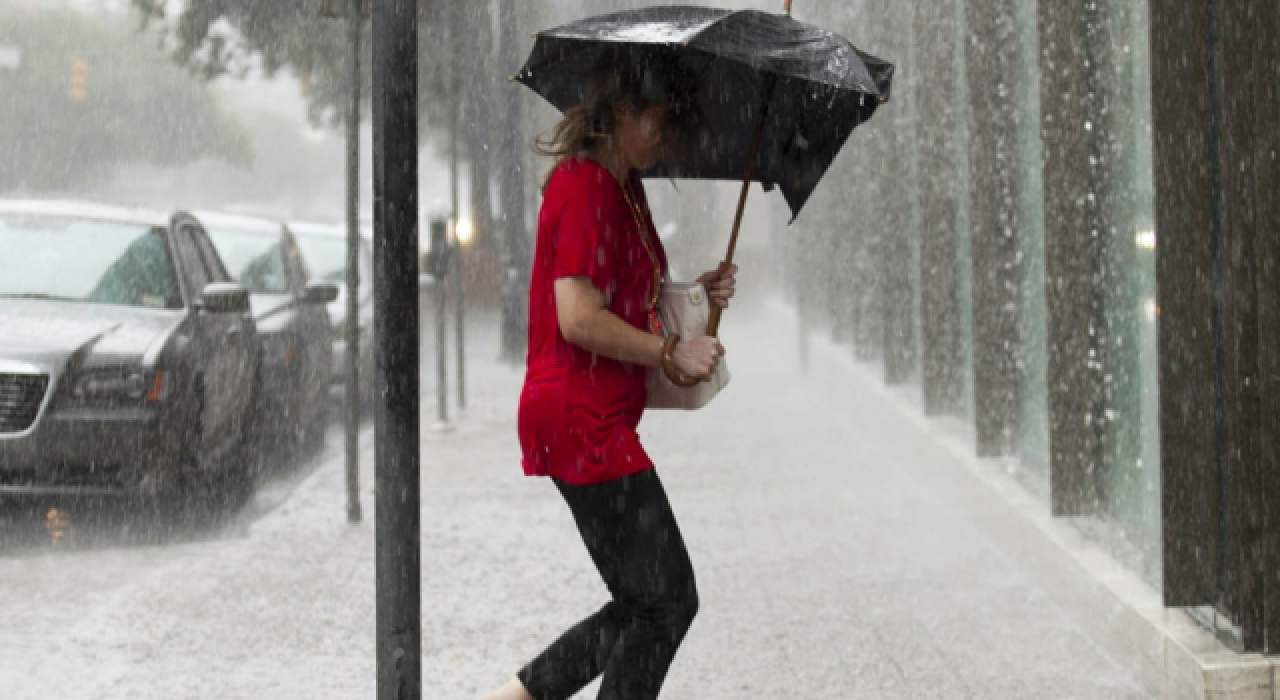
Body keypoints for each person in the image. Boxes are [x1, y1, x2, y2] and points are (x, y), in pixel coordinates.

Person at [482, 61, 736, 700]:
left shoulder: (625, 189)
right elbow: (578, 318)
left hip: (596, 416)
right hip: (580, 418)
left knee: (642, 601)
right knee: (668, 601)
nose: (665, 136)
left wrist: (696, 295)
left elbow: (629, 296)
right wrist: (671, 351)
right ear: (622, 112)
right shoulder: (584, 188)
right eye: (658, 121)